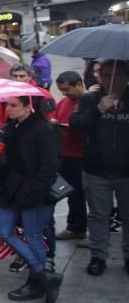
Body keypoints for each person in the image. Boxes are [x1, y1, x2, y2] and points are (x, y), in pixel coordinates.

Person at [0, 95, 63, 303]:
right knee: (2, 230)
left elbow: (49, 168)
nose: (8, 109)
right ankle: (44, 275)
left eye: (13, 105)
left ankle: (38, 281)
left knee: (33, 235)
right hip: (14, 191)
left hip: (34, 194)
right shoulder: (12, 128)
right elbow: (6, 163)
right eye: (7, 104)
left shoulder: (44, 130)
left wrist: (33, 193)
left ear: (28, 108)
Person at [70, 59, 129, 276]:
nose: (112, 79)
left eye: (119, 75)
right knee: (98, 216)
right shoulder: (89, 99)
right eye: (105, 75)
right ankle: (98, 256)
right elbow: (75, 125)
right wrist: (98, 109)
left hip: (126, 171)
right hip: (97, 169)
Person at [52, 71, 88, 242]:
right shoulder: (63, 103)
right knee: (71, 193)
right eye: (61, 90)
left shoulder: (88, 102)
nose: (64, 94)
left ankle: (90, 230)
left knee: (87, 194)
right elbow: (55, 117)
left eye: (67, 89)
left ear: (79, 84)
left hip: (83, 155)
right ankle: (75, 227)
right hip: (65, 155)